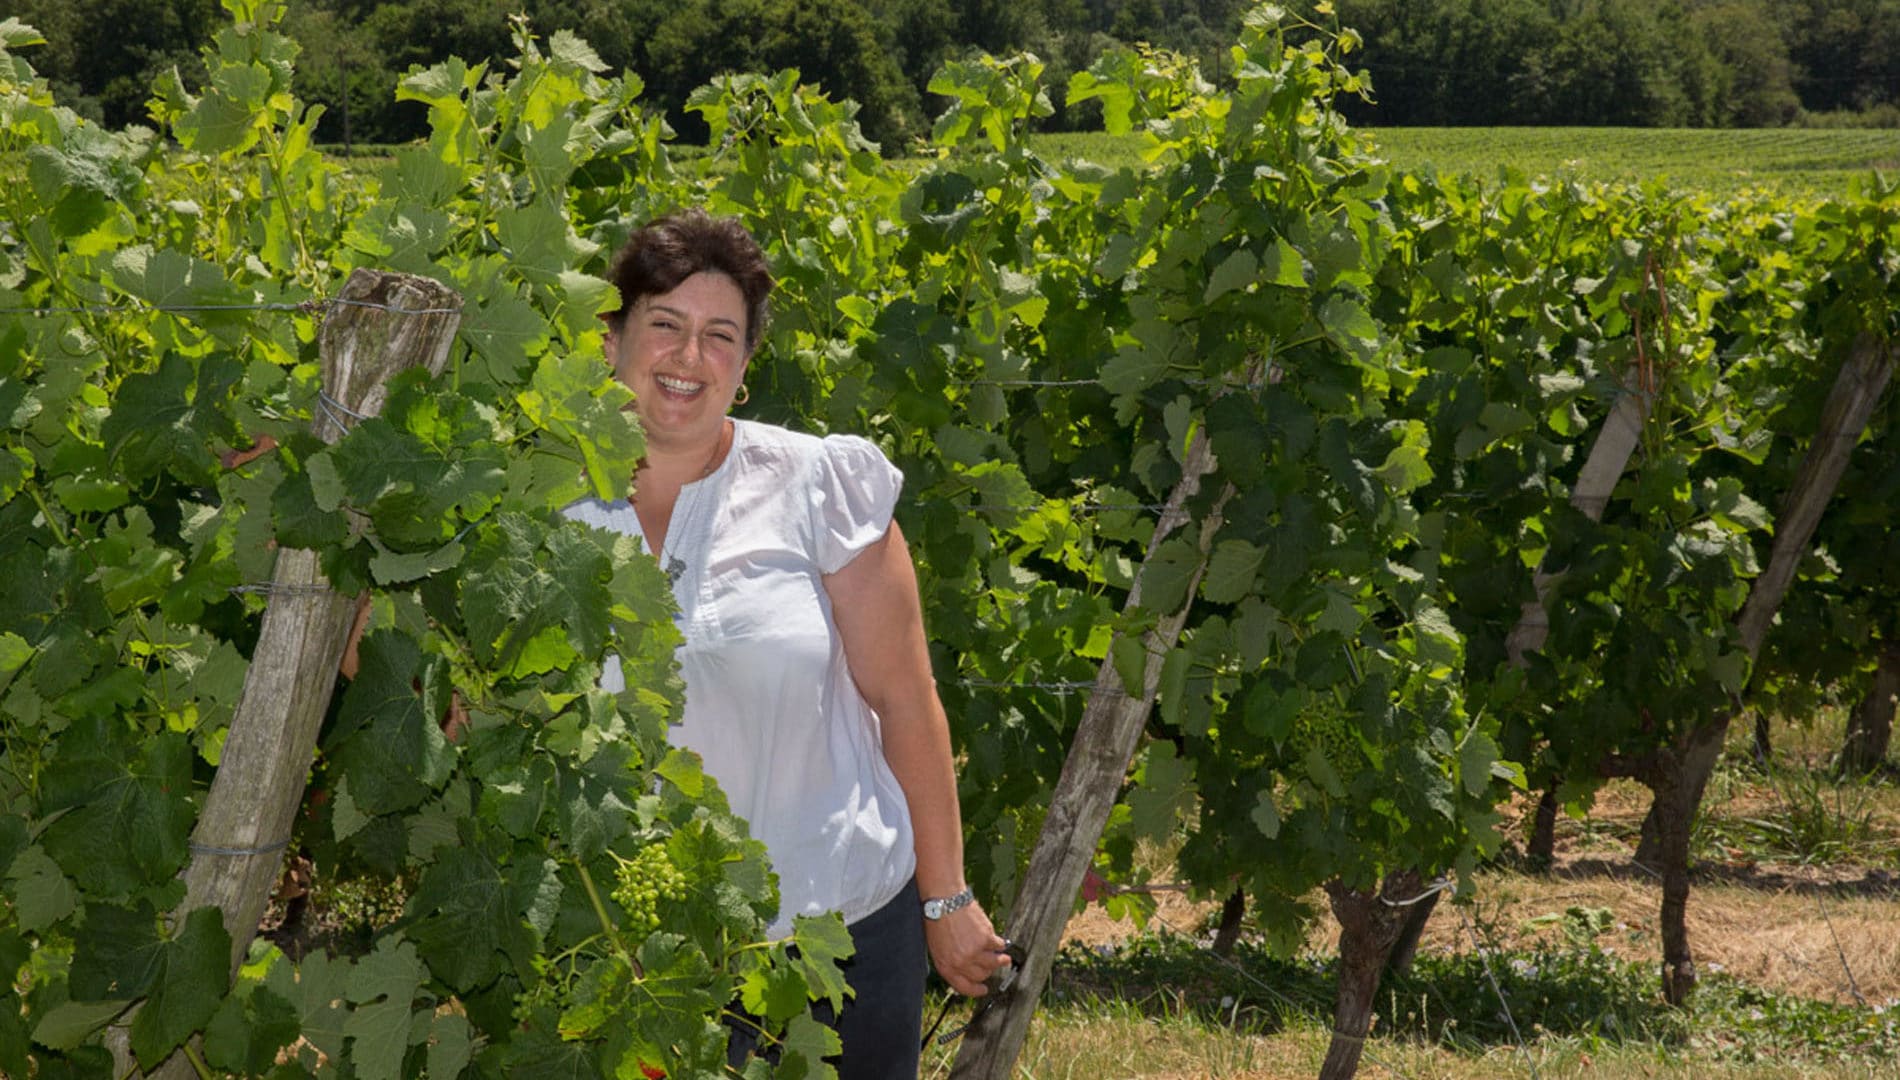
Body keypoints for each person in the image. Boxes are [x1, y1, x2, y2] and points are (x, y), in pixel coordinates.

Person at [562, 207, 1010, 1076]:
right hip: (631, 949)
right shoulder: (540, 499)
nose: (689, 357)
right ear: (611, 338)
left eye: (719, 336)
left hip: (835, 937)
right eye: (665, 326)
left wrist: (946, 895)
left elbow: (904, 698)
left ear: (745, 360)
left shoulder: (817, 483)